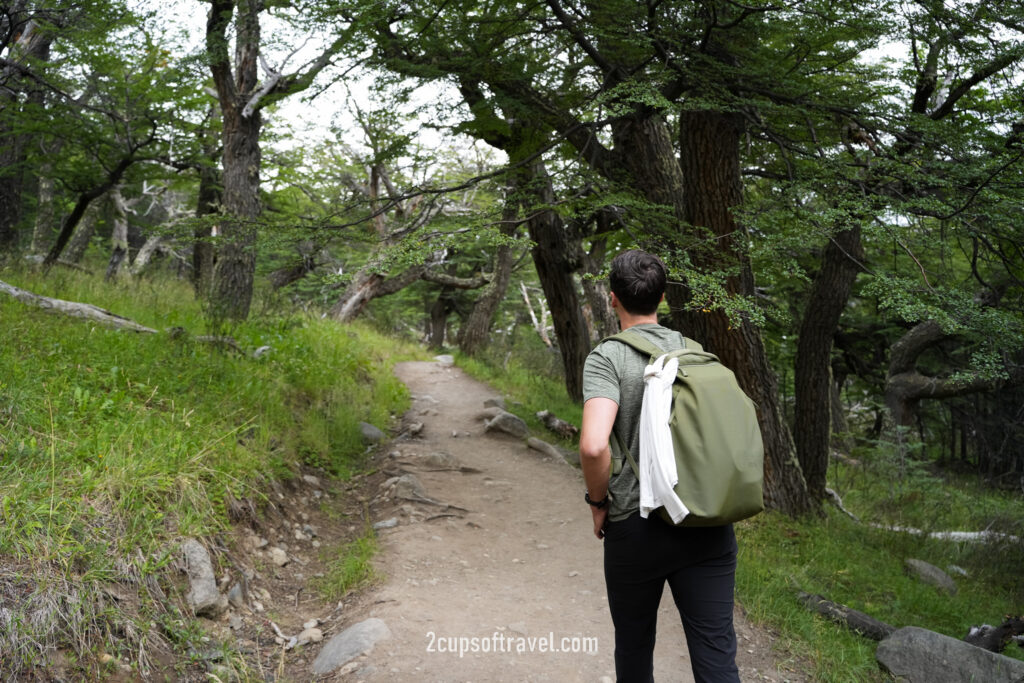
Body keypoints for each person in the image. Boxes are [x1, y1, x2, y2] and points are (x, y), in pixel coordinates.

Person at [579, 249, 740, 683]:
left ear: (612, 299)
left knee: (634, 649)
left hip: (637, 524)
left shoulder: (607, 358)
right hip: (705, 521)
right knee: (716, 654)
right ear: (662, 297)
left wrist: (597, 502)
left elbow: (595, 447)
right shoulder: (695, 352)